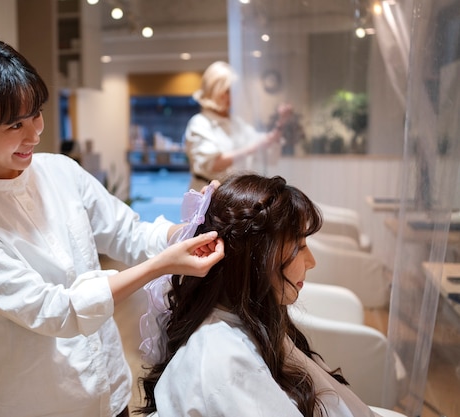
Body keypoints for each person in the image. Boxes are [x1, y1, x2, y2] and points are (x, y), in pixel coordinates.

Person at [0, 35, 224, 417]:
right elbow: (55, 310)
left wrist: (199, 224)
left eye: (36, 114)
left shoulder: (59, 171)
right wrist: (163, 265)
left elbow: (129, 232)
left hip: (108, 386)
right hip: (35, 402)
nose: (35, 134)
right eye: (15, 124)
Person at [137, 173, 384, 417]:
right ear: (255, 259)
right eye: (299, 247)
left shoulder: (253, 323)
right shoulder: (228, 363)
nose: (312, 262)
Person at [184, 61, 293, 191]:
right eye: (227, 91)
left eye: (233, 91)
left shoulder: (236, 123)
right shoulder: (199, 123)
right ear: (215, 91)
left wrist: (281, 122)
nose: (231, 96)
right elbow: (213, 164)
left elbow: (264, 142)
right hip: (206, 194)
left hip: (232, 194)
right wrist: (251, 149)